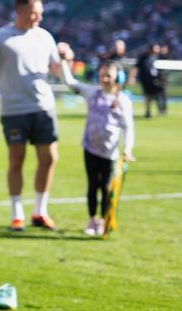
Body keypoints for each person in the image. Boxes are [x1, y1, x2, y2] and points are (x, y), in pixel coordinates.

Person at [0, 0, 64, 231]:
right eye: (34, 13)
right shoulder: (1, 36)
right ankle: (17, 213)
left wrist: (65, 59)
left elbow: (56, 69)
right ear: (19, 12)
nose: (38, 17)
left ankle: (40, 211)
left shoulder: (45, 36)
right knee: (16, 160)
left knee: (49, 159)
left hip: (43, 107)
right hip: (14, 110)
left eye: (40, 13)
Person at [58, 48, 135, 236]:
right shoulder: (92, 93)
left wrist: (128, 149)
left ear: (118, 78)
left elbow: (128, 127)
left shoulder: (123, 100)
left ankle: (103, 219)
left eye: (108, 76)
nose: (104, 79)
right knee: (92, 185)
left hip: (110, 153)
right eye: (102, 75)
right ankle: (92, 220)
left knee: (106, 187)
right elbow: (70, 82)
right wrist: (62, 62)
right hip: (90, 148)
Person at [136, 43, 166, 118]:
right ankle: (148, 111)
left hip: (155, 80)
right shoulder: (143, 57)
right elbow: (136, 67)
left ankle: (161, 109)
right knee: (148, 96)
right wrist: (132, 77)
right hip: (146, 80)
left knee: (159, 93)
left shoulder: (156, 57)